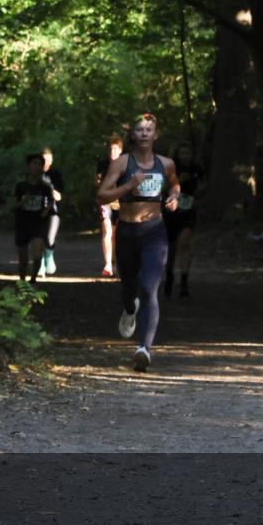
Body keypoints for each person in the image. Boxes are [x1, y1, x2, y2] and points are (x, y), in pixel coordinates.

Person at [96, 113, 180, 372]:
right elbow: (101, 196)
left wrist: (174, 198)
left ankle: (144, 347)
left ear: (155, 135)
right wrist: (129, 186)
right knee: (130, 288)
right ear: (132, 135)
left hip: (154, 232)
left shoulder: (166, 163)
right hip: (127, 232)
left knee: (149, 288)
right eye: (139, 130)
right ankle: (129, 307)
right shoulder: (123, 164)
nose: (144, 134)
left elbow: (175, 186)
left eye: (149, 130)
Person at [163, 143, 205, 298]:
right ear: (177, 155)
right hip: (171, 212)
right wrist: (178, 181)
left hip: (188, 210)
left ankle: (184, 282)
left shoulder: (197, 168)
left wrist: (199, 194)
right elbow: (162, 187)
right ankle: (169, 277)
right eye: (182, 153)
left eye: (187, 153)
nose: (185, 156)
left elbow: (203, 186)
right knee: (171, 247)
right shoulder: (170, 169)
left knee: (184, 243)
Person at [15, 154, 53, 281]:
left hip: (38, 222)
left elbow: (51, 201)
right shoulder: (20, 186)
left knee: (37, 255)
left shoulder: (45, 187)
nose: (36, 167)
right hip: (23, 222)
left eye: (39, 164)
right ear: (28, 166)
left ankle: (33, 279)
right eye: (34, 163)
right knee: (23, 256)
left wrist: (45, 212)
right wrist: (22, 202)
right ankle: (22, 281)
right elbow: (12, 204)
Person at [95, 136, 123, 276]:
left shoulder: (125, 163)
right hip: (106, 201)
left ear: (120, 150)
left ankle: (115, 262)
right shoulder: (103, 163)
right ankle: (107, 264)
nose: (112, 152)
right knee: (107, 230)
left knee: (116, 235)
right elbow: (97, 181)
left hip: (120, 203)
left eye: (115, 149)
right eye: (110, 149)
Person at [38, 147, 65, 276]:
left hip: (53, 211)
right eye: (44, 160)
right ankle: (41, 264)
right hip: (37, 211)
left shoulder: (56, 175)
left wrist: (54, 193)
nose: (46, 162)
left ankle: (49, 256)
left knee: (49, 238)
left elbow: (61, 195)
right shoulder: (34, 174)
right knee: (39, 237)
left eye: (49, 160)